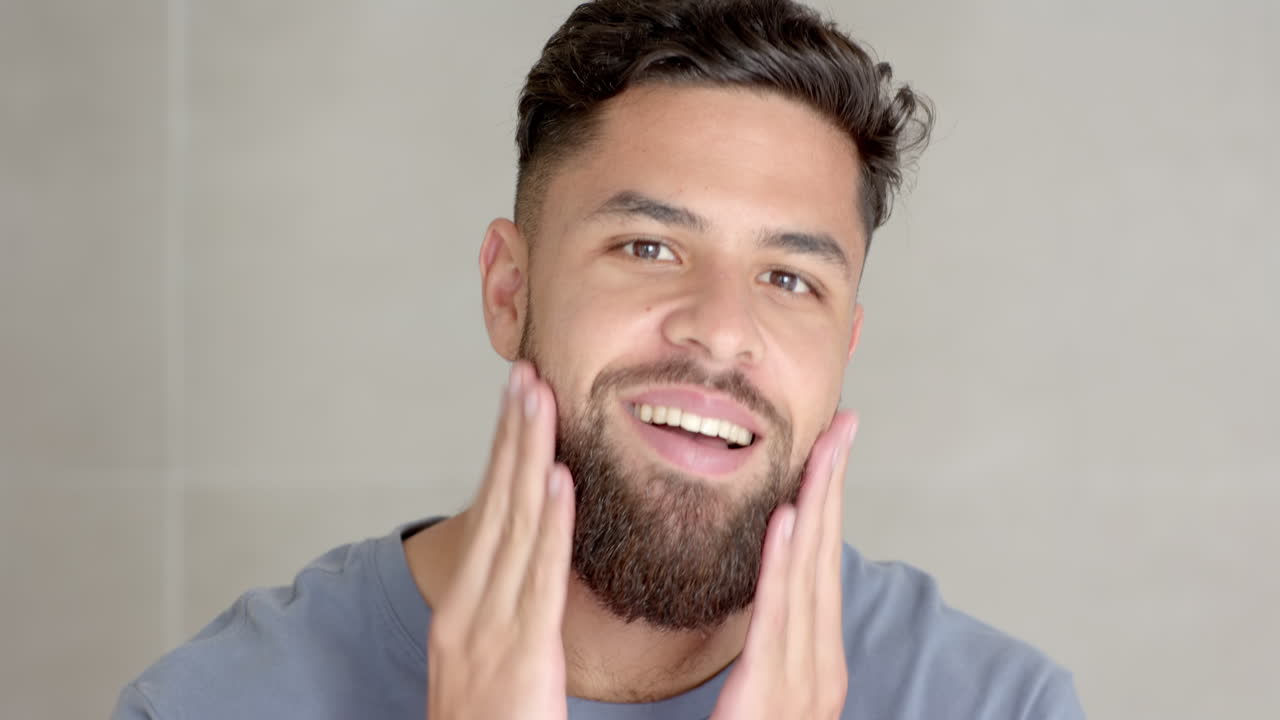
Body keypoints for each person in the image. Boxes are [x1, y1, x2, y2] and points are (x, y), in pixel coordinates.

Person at [115, 0, 1086, 717]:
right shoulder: (214, 705)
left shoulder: (996, 706)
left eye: (790, 278)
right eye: (648, 247)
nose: (721, 328)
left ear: (844, 345)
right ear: (509, 292)